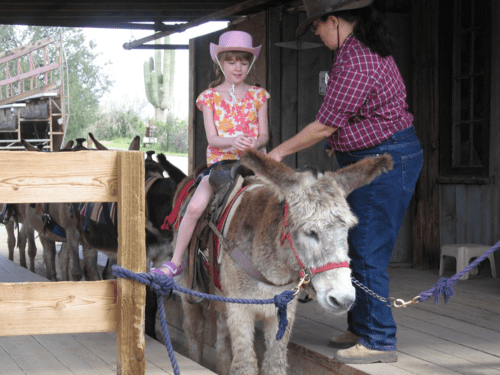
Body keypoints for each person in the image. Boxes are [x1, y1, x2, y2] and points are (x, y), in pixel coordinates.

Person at [267, 0, 423, 365]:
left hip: (386, 159)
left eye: (318, 27)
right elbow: (351, 118)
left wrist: (278, 153)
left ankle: (380, 340)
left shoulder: (358, 58)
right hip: (365, 157)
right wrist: (339, 145)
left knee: (367, 248)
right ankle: (361, 328)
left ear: (333, 21)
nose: (318, 34)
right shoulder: (352, 52)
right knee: (349, 243)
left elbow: (325, 124)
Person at [151, 30, 270, 278]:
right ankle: (176, 260)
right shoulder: (209, 98)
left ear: (251, 63)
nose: (238, 67)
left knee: (283, 202)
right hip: (222, 165)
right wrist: (234, 141)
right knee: (195, 207)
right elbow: (212, 138)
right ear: (220, 62)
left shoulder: (259, 95)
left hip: (255, 162)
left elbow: (265, 136)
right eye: (231, 61)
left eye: (244, 61)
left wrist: (253, 144)